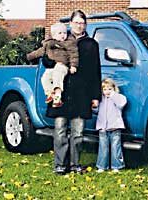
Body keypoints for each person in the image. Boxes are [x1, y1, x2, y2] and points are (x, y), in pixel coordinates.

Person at [46, 10, 101, 175]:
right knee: (60, 129)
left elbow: (95, 71)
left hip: (82, 93)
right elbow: (46, 59)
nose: (79, 25)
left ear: (85, 25)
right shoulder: (60, 38)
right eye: (76, 22)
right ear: (71, 23)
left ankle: (75, 163)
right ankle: (60, 164)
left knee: (78, 132)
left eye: (82, 23)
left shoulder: (91, 44)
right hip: (61, 92)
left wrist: (95, 96)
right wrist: (50, 59)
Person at [27, 23, 78, 107]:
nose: (63, 35)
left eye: (64, 33)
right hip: (52, 67)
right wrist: (29, 56)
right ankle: (50, 93)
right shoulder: (48, 44)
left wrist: (73, 65)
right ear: (53, 35)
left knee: (58, 74)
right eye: (60, 33)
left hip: (62, 65)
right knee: (45, 77)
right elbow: (39, 52)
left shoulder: (69, 43)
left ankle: (58, 95)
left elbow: (74, 54)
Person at [94, 78, 127, 173]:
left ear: (114, 89)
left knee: (115, 147)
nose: (107, 91)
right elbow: (96, 111)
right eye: (105, 89)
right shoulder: (101, 99)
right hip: (103, 127)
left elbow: (121, 103)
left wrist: (113, 95)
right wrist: (94, 107)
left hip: (115, 126)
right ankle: (102, 166)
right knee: (103, 147)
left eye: (109, 89)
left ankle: (116, 166)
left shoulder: (118, 97)